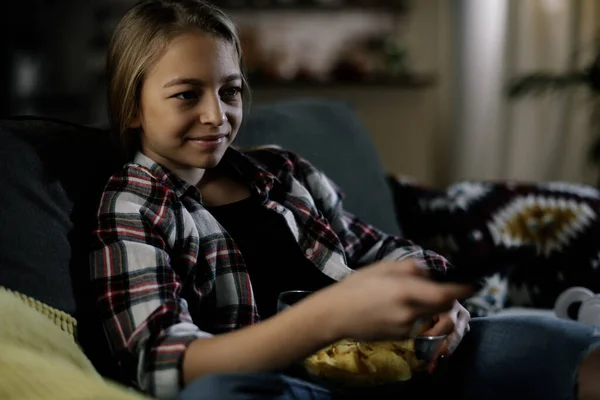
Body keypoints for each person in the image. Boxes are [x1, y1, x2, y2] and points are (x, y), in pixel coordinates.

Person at [89, 1, 600, 399]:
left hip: (398, 364)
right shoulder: (134, 206)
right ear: (133, 106)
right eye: (186, 94)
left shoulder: (282, 171)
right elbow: (157, 361)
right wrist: (327, 318)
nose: (216, 115)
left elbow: (380, 249)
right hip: (292, 385)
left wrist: (438, 299)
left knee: (554, 343)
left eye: (230, 91)